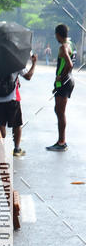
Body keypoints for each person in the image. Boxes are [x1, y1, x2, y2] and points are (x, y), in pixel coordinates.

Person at [0, 52, 37, 157]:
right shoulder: (15, 62)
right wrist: (34, 64)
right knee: (17, 124)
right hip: (12, 99)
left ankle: (1, 148)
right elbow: (28, 76)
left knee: (0, 124)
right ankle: (16, 148)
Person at [46, 23, 74, 151]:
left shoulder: (63, 47)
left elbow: (69, 64)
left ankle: (62, 142)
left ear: (58, 34)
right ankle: (61, 140)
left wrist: (60, 78)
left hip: (65, 82)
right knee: (58, 111)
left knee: (60, 112)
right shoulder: (70, 44)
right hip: (65, 82)